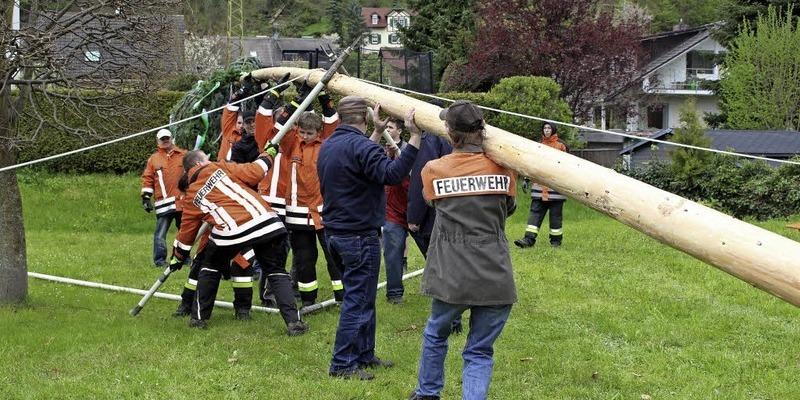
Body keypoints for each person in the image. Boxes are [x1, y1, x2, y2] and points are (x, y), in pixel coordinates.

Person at [409, 100, 517, 400]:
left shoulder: (434, 169)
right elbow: (508, 208)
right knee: (480, 350)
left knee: (435, 334)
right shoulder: (505, 168)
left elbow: (432, 203)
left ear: (449, 132)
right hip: (495, 272)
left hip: (451, 273)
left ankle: (428, 394)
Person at [318, 97, 421, 380]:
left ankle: (364, 355)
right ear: (364, 117)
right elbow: (393, 174)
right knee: (357, 300)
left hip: (336, 234)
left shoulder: (329, 145)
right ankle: (342, 364)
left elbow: (362, 160)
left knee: (363, 297)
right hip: (359, 235)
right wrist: (414, 137)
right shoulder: (360, 146)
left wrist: (376, 132)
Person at [170, 149, 308, 336]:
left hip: (231, 231)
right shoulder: (220, 166)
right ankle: (294, 323)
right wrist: (268, 154)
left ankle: (199, 319)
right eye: (205, 159)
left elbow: (186, 232)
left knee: (209, 268)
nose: (209, 160)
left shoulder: (192, 195)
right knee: (276, 272)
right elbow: (255, 171)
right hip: (267, 222)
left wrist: (178, 256)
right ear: (197, 164)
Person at [370, 118, 411, 304]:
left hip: (413, 207)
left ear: (400, 131)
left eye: (390, 127)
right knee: (392, 250)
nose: (387, 129)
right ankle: (394, 293)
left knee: (433, 250)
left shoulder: (410, 150)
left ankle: (444, 289)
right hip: (391, 210)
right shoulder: (377, 150)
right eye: (385, 127)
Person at [514, 122, 568, 248]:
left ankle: (555, 242)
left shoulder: (561, 146)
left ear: (553, 130)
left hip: (556, 188)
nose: (547, 130)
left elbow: (567, 166)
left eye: (549, 128)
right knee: (535, 214)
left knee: (555, 217)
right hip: (539, 188)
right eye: (545, 128)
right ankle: (528, 240)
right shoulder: (538, 146)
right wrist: (527, 179)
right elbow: (531, 164)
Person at [140, 128, 185, 268]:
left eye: (167, 138)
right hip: (164, 204)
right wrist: (146, 198)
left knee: (185, 233)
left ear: (172, 138)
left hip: (182, 202)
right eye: (162, 139)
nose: (165, 141)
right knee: (160, 234)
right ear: (158, 142)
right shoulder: (153, 159)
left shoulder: (184, 155)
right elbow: (148, 178)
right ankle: (159, 260)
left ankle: (183, 257)